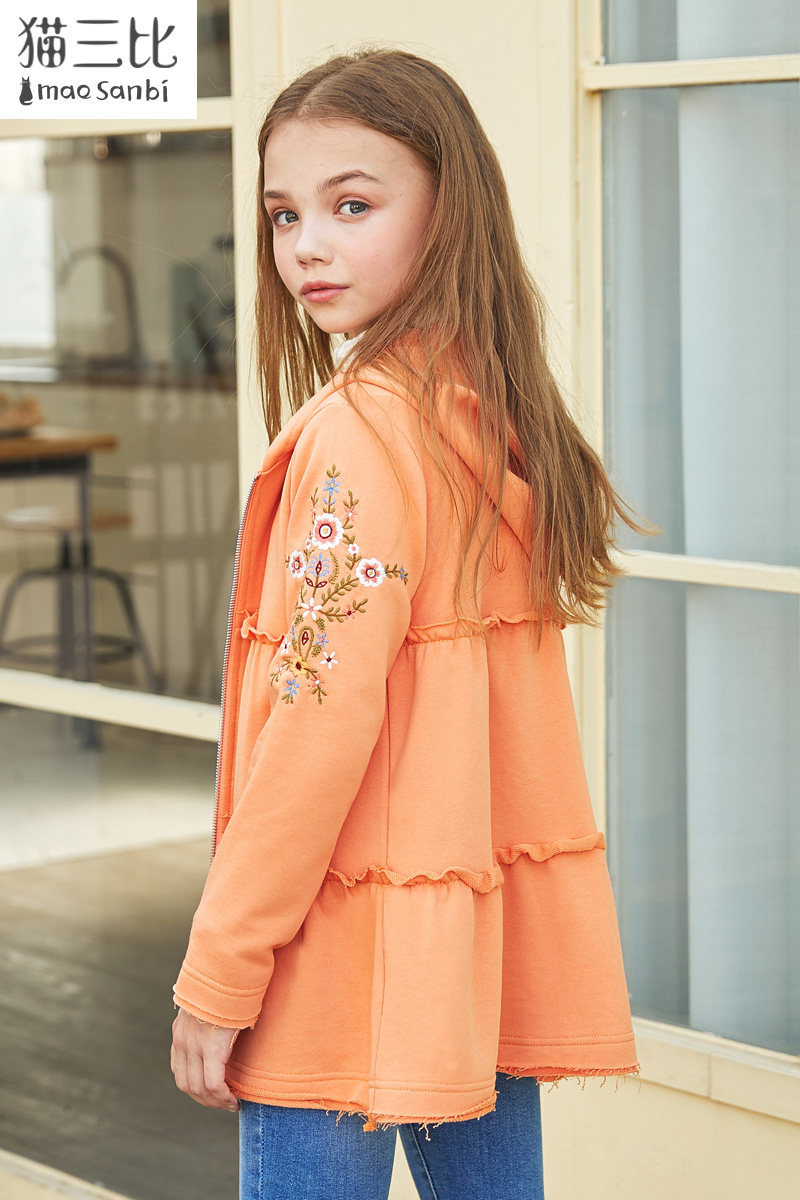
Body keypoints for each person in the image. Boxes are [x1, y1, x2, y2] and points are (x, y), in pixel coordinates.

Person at [170, 47, 656, 1200]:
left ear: (449, 210)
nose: (307, 246)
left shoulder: (361, 434)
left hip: (338, 965)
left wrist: (218, 973)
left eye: (352, 205)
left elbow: (312, 729)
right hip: (462, 960)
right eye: (285, 215)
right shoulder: (484, 417)